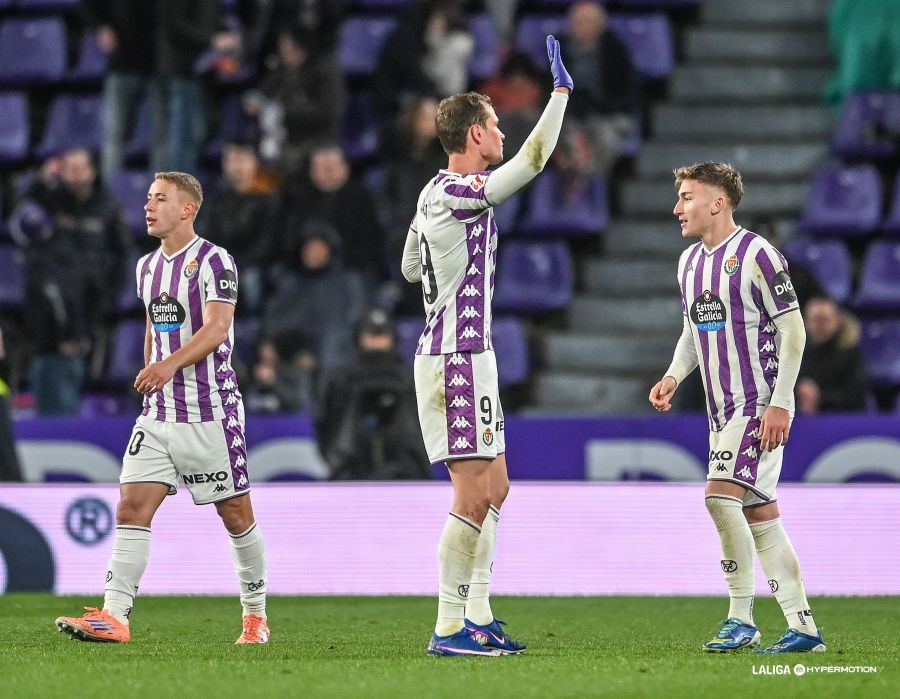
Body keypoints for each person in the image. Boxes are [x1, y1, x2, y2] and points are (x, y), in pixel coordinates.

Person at [401, 35, 573, 657]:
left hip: (469, 354)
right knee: (472, 495)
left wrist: (439, 265)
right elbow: (532, 161)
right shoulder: (454, 191)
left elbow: (409, 267)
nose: (502, 132)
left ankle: (476, 613)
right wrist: (560, 94)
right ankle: (449, 627)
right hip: (455, 358)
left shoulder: (432, 195)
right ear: (475, 134)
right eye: (495, 123)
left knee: (496, 488)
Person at [56, 172, 269, 645]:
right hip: (159, 414)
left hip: (209, 411)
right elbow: (156, 326)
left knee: (235, 514)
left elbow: (217, 328)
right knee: (131, 506)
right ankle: (114, 617)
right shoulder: (147, 267)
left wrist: (168, 365)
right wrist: (152, 367)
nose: (148, 206)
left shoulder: (215, 260)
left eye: (160, 199)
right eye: (149, 198)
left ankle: (255, 617)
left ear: (187, 209)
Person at [649, 162, 826, 654]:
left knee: (719, 498)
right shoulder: (688, 263)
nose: (677, 207)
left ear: (717, 202)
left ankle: (740, 617)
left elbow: (793, 329)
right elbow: (694, 331)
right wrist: (673, 375)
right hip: (721, 410)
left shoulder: (758, 255)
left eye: (687, 197)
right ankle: (804, 627)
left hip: (757, 403)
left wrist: (781, 403)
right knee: (760, 514)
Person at [314, 308, 430, 480]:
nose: (377, 342)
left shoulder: (410, 377)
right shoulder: (340, 379)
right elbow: (324, 423)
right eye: (372, 335)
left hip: (407, 469)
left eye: (382, 336)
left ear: (393, 338)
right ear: (359, 338)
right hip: (349, 468)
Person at [559, 0, 639, 175]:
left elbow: (627, 91)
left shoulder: (616, 50)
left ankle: (595, 181)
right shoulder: (559, 51)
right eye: (578, 23)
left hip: (607, 114)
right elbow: (550, 88)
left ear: (601, 25)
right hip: (569, 114)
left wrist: (602, 108)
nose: (583, 27)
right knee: (564, 138)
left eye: (589, 22)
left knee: (606, 139)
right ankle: (575, 180)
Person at [797, 297, 869, 413]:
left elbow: (857, 393)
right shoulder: (796, 354)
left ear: (837, 321)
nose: (820, 326)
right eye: (815, 320)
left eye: (825, 320)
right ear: (805, 322)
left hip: (841, 418)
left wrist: (820, 397)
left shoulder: (850, 354)